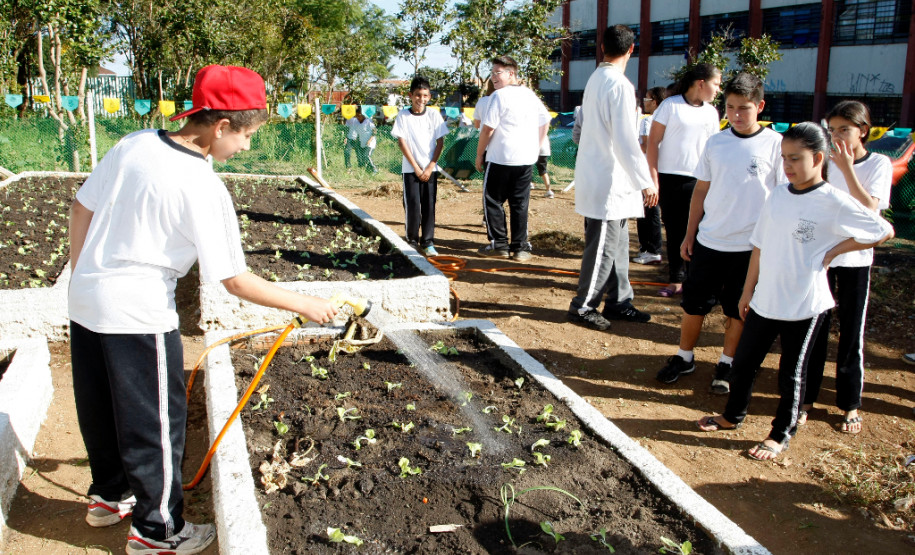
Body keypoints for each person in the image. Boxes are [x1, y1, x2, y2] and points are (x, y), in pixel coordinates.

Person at [68, 65, 339, 554]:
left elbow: (80, 207)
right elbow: (235, 280)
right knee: (155, 422)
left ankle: (109, 496)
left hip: (86, 295)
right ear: (220, 127)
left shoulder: (134, 143)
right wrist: (306, 303)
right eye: (247, 135)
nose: (246, 147)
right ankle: (158, 533)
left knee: (100, 404)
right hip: (138, 311)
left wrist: (84, 272)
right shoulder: (202, 185)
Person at [696, 122, 894, 461]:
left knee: (792, 373)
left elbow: (883, 229)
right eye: (784, 158)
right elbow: (758, 244)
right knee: (743, 364)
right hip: (765, 299)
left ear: (817, 158)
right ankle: (732, 417)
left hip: (805, 304)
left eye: (795, 159)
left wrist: (834, 250)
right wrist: (748, 291)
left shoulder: (832, 200)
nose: (786, 166)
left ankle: (780, 434)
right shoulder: (778, 194)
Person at [655, 73, 785, 388]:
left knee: (737, 308)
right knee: (693, 303)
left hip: (750, 247)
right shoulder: (716, 142)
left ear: (760, 107)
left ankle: (727, 364)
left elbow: (783, 196)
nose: (737, 115)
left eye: (745, 108)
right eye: (730, 107)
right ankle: (684, 356)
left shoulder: (775, 144)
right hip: (710, 240)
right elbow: (701, 190)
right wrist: (689, 234)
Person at [802, 100, 894, 434]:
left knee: (851, 331)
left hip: (856, 258)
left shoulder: (878, 164)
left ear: (863, 131)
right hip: (823, 256)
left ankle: (850, 402)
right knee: (816, 327)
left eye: (845, 129)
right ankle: (806, 399)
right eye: (832, 129)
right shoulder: (824, 161)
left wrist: (849, 168)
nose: (837, 135)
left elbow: (872, 210)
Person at [567, 25, 658, 331]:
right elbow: (625, 140)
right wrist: (645, 180)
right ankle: (582, 306)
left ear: (602, 48)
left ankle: (619, 300)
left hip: (609, 179)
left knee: (618, 246)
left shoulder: (596, 79)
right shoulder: (617, 84)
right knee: (604, 248)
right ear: (632, 50)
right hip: (608, 180)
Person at [647, 63, 722, 297]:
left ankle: (696, 281)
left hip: (701, 180)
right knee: (676, 231)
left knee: (701, 231)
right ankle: (676, 280)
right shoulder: (671, 105)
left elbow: (715, 150)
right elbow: (652, 144)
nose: (718, 89)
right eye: (716, 84)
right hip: (671, 180)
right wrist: (653, 179)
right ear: (701, 83)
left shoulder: (711, 112)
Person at [475, 55, 551, 262]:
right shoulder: (530, 95)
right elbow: (546, 121)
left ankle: (499, 244)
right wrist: (536, 147)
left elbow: (487, 129)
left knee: (492, 200)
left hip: (500, 158)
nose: (493, 78)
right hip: (525, 160)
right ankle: (520, 248)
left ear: (511, 74)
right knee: (520, 203)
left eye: (497, 73)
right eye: (492, 73)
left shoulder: (499, 96)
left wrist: (479, 153)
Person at [391, 76, 449, 257]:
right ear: (410, 95)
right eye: (417, 95)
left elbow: (440, 143)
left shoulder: (433, 115)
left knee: (429, 205)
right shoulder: (403, 116)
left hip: (430, 170)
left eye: (425, 95)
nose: (421, 99)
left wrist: (431, 166)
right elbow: (402, 143)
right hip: (411, 170)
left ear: (429, 96)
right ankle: (412, 240)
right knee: (413, 205)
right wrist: (416, 167)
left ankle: (428, 242)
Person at [633, 86, 668, 265]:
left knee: (648, 210)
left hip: (648, 171)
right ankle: (649, 247)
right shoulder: (668, 119)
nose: (644, 102)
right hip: (663, 170)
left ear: (655, 101)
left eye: (647, 99)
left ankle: (651, 249)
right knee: (652, 211)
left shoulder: (649, 122)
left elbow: (645, 147)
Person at [354, 107, 378, 173]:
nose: (358, 118)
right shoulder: (358, 123)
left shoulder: (368, 122)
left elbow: (374, 131)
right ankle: (368, 171)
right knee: (363, 158)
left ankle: (374, 169)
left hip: (370, 143)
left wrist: (369, 140)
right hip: (362, 143)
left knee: (366, 156)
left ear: (362, 115)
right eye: (356, 116)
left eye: (359, 116)